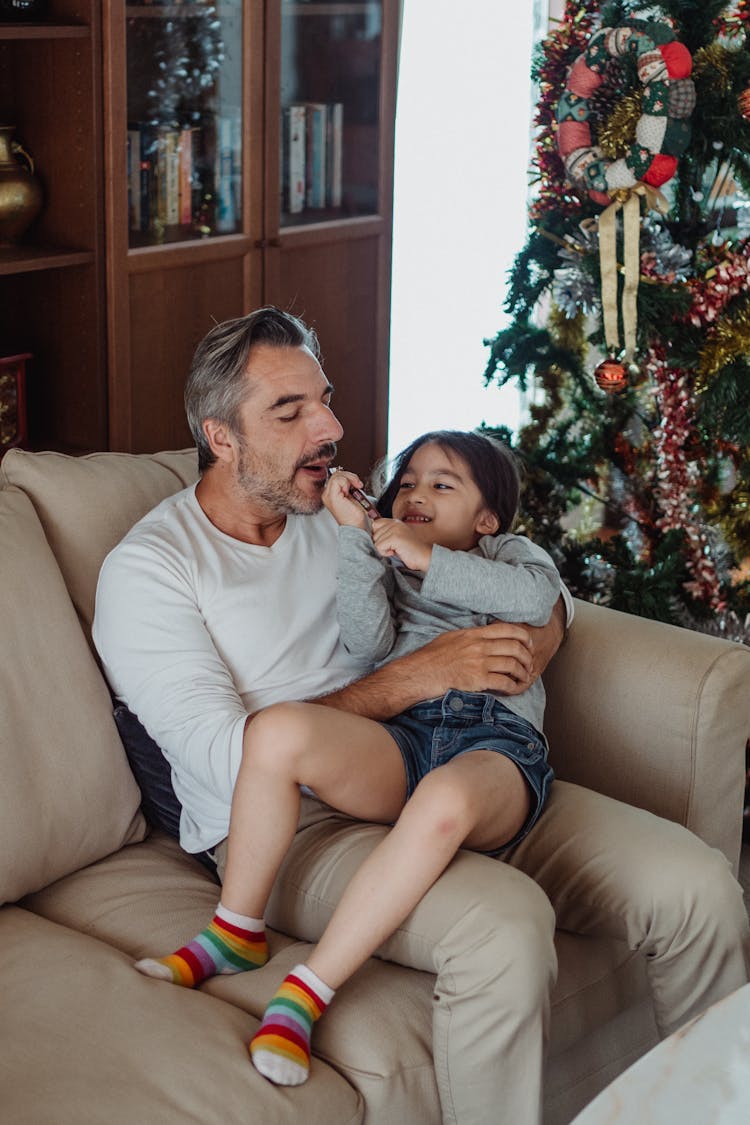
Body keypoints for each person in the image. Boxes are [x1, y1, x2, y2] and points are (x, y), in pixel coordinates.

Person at [93, 307, 750, 1125]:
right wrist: (413, 679)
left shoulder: (339, 510)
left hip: (464, 753)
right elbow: (232, 761)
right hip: (301, 820)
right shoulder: (150, 573)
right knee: (506, 931)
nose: (331, 427)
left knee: (698, 889)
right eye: (290, 412)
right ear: (220, 437)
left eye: (324, 399)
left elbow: (499, 565)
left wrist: (539, 638)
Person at [133, 428, 562, 1086]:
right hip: (404, 733)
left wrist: (425, 556)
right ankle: (234, 929)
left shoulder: (509, 552)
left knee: (444, 800)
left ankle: (308, 987)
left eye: (442, 484)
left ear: (486, 517)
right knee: (276, 731)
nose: (417, 493)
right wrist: (356, 540)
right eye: (410, 482)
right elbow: (367, 644)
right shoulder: (389, 560)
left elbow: (536, 601)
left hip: (494, 742)